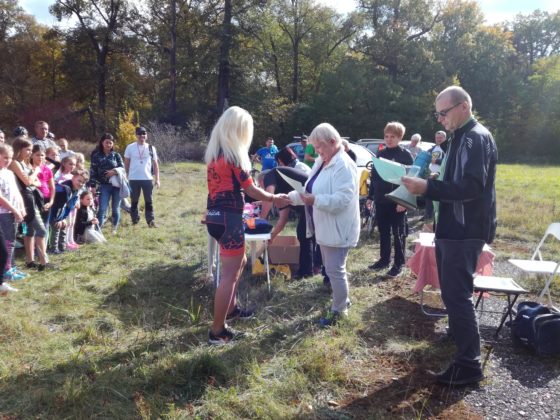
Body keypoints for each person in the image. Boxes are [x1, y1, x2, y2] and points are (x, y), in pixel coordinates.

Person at [402, 86, 497, 386]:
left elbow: (472, 187)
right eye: (437, 114)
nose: (440, 119)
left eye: (443, 112)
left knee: (457, 294)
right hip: (453, 227)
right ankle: (458, 334)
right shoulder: (459, 137)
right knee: (453, 292)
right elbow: (454, 180)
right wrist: (430, 184)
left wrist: (428, 188)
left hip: (464, 229)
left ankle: (469, 365)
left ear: (464, 106)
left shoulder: (474, 138)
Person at [204, 106, 290, 345]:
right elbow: (250, 189)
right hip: (229, 219)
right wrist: (274, 198)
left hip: (214, 217)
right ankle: (217, 331)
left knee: (239, 262)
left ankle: (231, 310)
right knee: (229, 275)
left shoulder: (214, 156)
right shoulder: (234, 157)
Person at [288, 123, 360, 326]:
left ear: (333, 141)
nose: (316, 151)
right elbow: (309, 188)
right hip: (325, 225)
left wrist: (315, 200)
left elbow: (342, 200)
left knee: (335, 270)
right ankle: (342, 301)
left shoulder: (344, 165)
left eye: (319, 147)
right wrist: (290, 197)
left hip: (338, 227)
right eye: (315, 147)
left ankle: (340, 310)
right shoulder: (322, 161)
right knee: (331, 268)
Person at [367, 122, 413, 278]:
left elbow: (411, 179)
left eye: (392, 136)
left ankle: (398, 264)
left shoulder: (405, 155)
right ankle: (384, 260)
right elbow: (374, 177)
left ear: (400, 138)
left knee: (398, 233)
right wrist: (370, 197)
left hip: (397, 201)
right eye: (386, 136)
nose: (389, 139)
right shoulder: (380, 154)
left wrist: (403, 201)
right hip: (381, 199)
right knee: (384, 231)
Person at [258, 148, 313, 279]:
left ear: (263, 180)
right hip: (308, 200)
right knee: (305, 234)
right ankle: (310, 268)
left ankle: (306, 272)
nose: (262, 189)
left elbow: (268, 197)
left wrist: (260, 220)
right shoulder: (281, 190)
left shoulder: (271, 174)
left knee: (304, 235)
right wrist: (272, 236)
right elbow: (283, 219)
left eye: (261, 186)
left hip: (313, 197)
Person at [9, 137, 51, 270]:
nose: (30, 152)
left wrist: (32, 178)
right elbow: (27, 181)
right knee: (41, 230)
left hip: (32, 198)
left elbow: (37, 183)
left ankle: (30, 261)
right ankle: (44, 262)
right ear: (19, 149)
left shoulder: (25, 163)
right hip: (24, 200)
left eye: (31, 150)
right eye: (27, 149)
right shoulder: (14, 163)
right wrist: (36, 171)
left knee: (30, 231)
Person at [0, 144, 27, 284]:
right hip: (3, 213)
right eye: (5, 157)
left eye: (10, 158)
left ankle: (12, 267)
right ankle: (6, 270)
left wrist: (21, 207)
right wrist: (14, 210)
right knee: (7, 242)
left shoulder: (9, 173)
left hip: (14, 212)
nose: (8, 160)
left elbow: (17, 192)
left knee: (12, 240)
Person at [124, 126, 160, 227]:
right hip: (133, 179)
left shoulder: (151, 148)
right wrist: (125, 176)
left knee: (149, 201)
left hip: (147, 179)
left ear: (146, 135)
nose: (142, 135)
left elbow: (155, 164)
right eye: (140, 134)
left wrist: (157, 179)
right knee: (134, 201)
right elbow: (126, 163)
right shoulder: (130, 147)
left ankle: (150, 221)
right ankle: (135, 219)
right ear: (136, 135)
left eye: (144, 133)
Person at [90, 133, 124, 232]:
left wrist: (114, 172)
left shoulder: (116, 155)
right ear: (102, 143)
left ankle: (114, 229)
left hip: (117, 185)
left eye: (110, 143)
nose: (108, 144)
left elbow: (122, 168)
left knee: (115, 208)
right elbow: (93, 171)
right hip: (103, 186)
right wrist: (92, 186)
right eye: (106, 142)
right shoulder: (96, 156)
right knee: (102, 208)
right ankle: (98, 230)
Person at [50, 169, 88, 254]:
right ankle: (53, 249)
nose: (81, 184)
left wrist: (63, 218)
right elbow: (59, 205)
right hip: (52, 211)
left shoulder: (76, 190)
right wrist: (58, 219)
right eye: (79, 181)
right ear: (73, 178)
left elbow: (69, 206)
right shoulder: (65, 189)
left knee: (64, 225)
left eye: (83, 182)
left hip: (61, 212)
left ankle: (62, 247)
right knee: (56, 226)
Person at [424, 131, 446, 222]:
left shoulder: (447, 149)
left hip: (441, 175)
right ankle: (428, 214)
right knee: (428, 195)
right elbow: (427, 160)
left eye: (440, 138)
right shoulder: (432, 149)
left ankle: (439, 215)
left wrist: (436, 161)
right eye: (437, 138)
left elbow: (448, 161)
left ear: (445, 138)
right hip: (430, 175)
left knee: (439, 197)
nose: (439, 139)